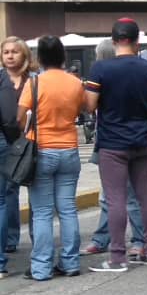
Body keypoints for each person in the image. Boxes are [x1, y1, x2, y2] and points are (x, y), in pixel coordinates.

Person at [85, 19, 147, 272]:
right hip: (142, 141)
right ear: (137, 43)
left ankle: (117, 257)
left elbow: (89, 105)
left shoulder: (101, 69)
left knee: (116, 198)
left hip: (112, 144)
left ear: (113, 40)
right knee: (145, 196)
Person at [17, 36, 85, 280]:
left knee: (43, 212)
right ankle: (70, 263)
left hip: (42, 150)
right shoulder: (75, 82)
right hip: (69, 150)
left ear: (40, 58)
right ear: (63, 56)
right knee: (67, 210)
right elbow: (85, 109)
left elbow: (19, 117)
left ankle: (41, 267)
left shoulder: (34, 84)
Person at [80, 39, 146, 258]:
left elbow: (89, 107)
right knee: (109, 196)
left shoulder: (113, 80)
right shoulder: (105, 78)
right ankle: (103, 238)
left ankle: (138, 240)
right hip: (108, 141)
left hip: (119, 143)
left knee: (127, 195)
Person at [0, 36, 34, 254]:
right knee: (7, 191)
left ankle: (36, 239)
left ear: (24, 55)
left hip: (29, 140)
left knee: (34, 191)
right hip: (4, 141)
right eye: (6, 52)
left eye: (15, 51)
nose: (10, 56)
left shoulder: (33, 80)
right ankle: (10, 239)